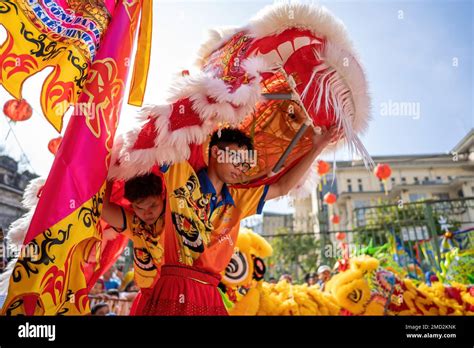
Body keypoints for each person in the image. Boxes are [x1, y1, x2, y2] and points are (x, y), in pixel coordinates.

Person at [141, 126, 338, 315]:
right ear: (216, 151)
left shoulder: (239, 199)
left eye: (245, 165)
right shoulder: (180, 175)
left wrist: (317, 147)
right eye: (236, 160)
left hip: (209, 293)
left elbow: (283, 187)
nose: (241, 169)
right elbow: (159, 137)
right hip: (174, 287)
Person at [101, 173, 166, 314]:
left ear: (163, 195)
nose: (147, 213)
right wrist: (110, 172)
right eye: (139, 208)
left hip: (177, 296)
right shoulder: (135, 223)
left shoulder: (176, 215)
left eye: (152, 205)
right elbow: (104, 209)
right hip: (147, 300)